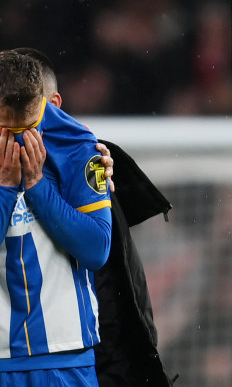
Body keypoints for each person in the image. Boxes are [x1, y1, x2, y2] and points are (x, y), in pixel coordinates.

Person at [0, 50, 112, 386]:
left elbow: (97, 250)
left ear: (44, 104)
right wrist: (2, 189)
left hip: (69, 355)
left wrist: (38, 186)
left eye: (29, 126)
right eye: (3, 128)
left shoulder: (79, 147)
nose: (17, 140)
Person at [15, 47, 175, 386]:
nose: (10, 120)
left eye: (24, 105)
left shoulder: (94, 164)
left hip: (92, 359)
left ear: (53, 105)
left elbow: (110, 276)